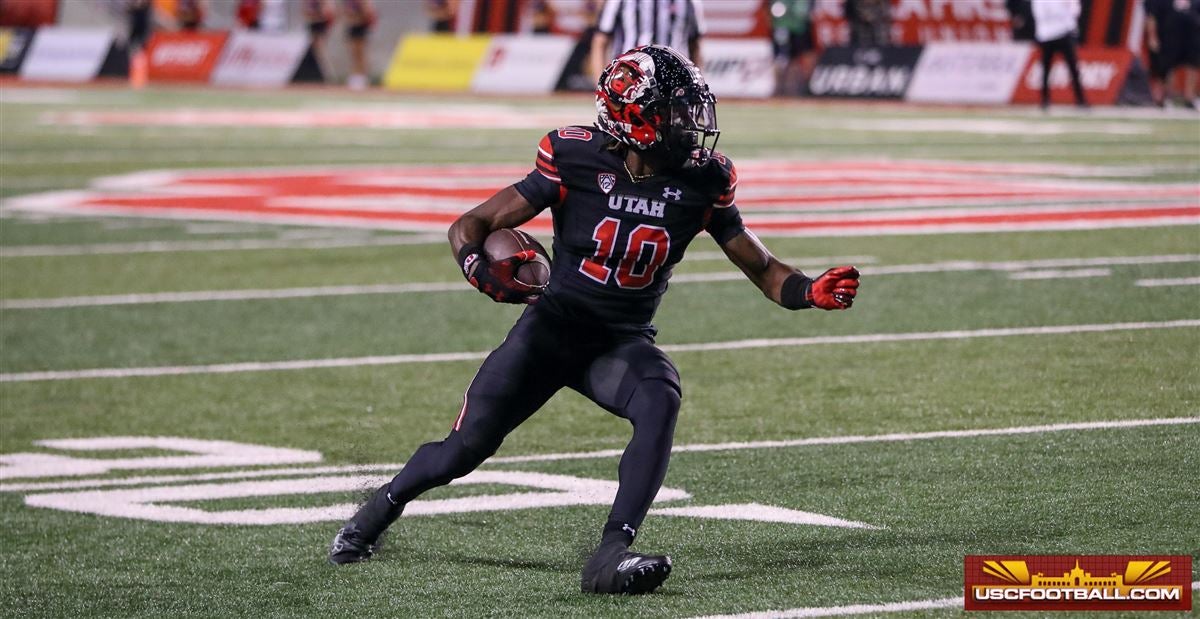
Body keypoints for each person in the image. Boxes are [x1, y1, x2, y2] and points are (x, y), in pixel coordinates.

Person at [328, 45, 861, 595]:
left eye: (690, 110)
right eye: (675, 111)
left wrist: (807, 291)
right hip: (551, 331)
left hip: (619, 342)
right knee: (462, 451)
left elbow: (765, 268)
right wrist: (475, 266)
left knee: (659, 396)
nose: (690, 123)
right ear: (631, 113)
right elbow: (473, 222)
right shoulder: (575, 157)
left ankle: (610, 554)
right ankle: (374, 513)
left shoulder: (704, 181)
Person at [590, 0, 706, 79]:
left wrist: (696, 84)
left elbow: (695, 46)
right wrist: (601, 86)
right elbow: (600, 42)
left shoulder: (689, 2)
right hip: (629, 78)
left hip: (674, 79)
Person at [1031, 0, 1088, 109]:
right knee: (1046, 68)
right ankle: (1045, 100)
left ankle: (1080, 99)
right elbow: (1041, 15)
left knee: (1073, 67)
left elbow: (1075, 11)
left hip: (1065, 33)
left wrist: (1064, 10)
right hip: (1047, 35)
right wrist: (1062, 12)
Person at [1144, 0, 1200, 108]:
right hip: (1169, 36)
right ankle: (1168, 96)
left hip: (1193, 36)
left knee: (1193, 64)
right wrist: (1152, 36)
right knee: (1168, 66)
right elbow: (1152, 16)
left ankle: (1189, 97)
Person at [342, 0, 375, 90]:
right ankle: (355, 76)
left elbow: (368, 13)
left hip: (361, 27)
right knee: (353, 54)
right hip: (352, 26)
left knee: (361, 54)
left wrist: (358, 18)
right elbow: (345, 12)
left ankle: (363, 78)